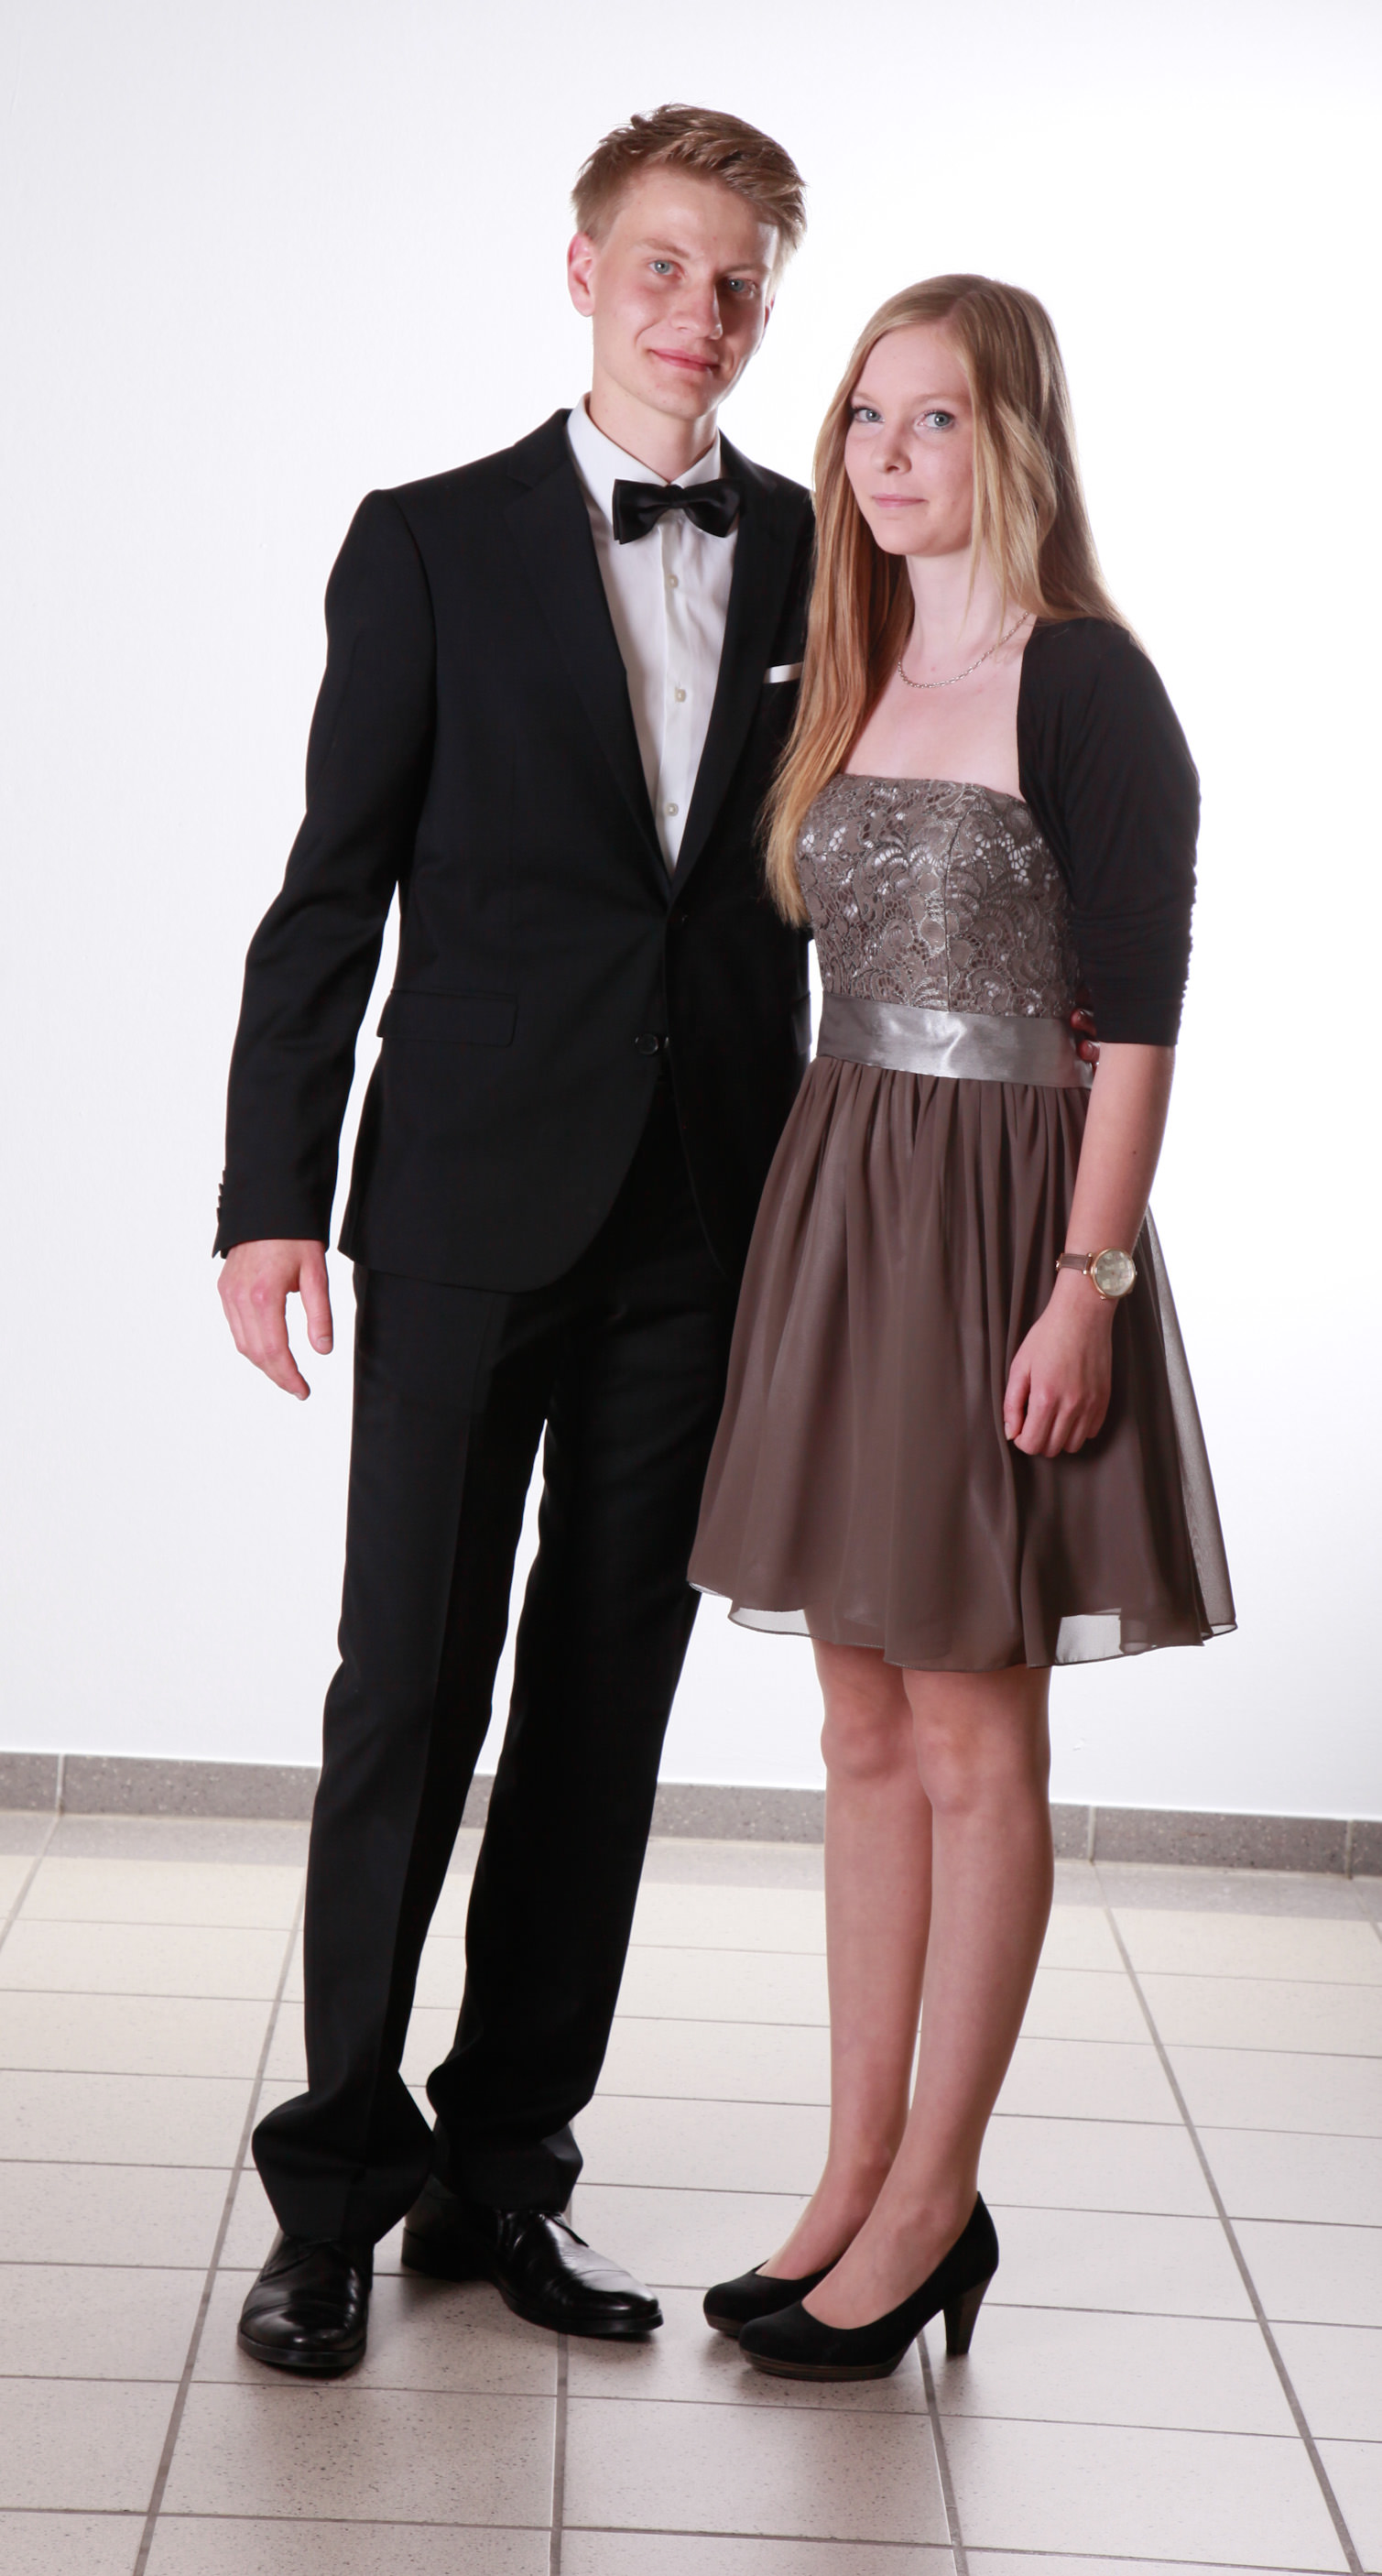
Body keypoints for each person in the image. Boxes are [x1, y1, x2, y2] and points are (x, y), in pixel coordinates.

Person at [214, 104, 815, 2374]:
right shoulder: (429, 542)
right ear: (581, 272)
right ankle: (331, 2192)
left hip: (707, 1213)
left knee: (602, 1701)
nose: (699, 312)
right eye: (662, 264)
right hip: (463, 1204)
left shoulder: (813, 548)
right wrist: (271, 1198)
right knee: (407, 1687)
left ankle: (502, 2168)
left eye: (738, 279)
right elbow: (327, 892)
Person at [692, 276, 1235, 2382]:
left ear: (1009, 437)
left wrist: (1083, 1284)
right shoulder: (843, 658)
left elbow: (1141, 1019)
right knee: (853, 1726)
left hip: (1005, 1220)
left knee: (966, 1727)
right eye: (861, 417)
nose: (883, 456)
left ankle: (934, 2196)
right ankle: (852, 2170)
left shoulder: (1086, 682)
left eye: (930, 419)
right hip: (843, 1204)